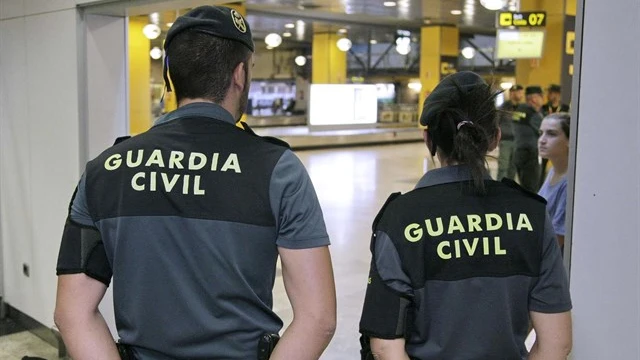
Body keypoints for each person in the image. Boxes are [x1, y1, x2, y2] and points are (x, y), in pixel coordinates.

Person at [54, 6, 336, 360]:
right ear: (239, 75)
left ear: (170, 77)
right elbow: (318, 318)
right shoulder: (278, 170)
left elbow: (72, 313)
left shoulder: (103, 171)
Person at [358, 72, 572, 360]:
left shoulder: (400, 218)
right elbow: (556, 344)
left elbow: (385, 347)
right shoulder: (532, 215)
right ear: (495, 138)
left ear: (428, 140)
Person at [538, 113, 571, 252]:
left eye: (551, 134)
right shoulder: (553, 170)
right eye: (541, 133)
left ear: (570, 140)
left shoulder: (568, 183)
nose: (542, 140)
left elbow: (558, 241)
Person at [512, 86, 544, 192]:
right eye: (541, 97)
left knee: (525, 187)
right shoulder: (532, 114)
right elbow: (543, 131)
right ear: (534, 99)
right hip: (531, 154)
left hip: (518, 152)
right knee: (532, 189)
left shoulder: (519, 110)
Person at [497, 84, 524, 180]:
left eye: (521, 92)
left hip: (518, 142)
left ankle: (509, 188)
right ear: (511, 93)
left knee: (513, 168)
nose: (519, 95)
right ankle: (500, 188)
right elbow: (496, 122)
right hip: (506, 140)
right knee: (503, 167)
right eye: (517, 92)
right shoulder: (503, 107)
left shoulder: (523, 108)